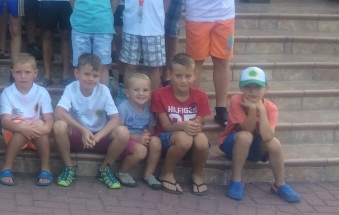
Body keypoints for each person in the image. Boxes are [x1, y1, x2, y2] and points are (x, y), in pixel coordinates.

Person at [221, 67, 301, 202]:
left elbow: (268, 137)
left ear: (266, 88)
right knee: (245, 136)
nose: (253, 91)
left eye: (257, 87)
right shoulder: (236, 100)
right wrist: (252, 109)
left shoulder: (271, 107)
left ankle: (280, 184)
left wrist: (262, 110)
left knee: (274, 143)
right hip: (232, 145)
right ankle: (236, 180)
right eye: (248, 87)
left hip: (255, 148)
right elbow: (247, 129)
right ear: (241, 88)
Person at [52, 53, 128, 188]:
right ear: (77, 73)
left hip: (99, 138)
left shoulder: (103, 90)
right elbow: (59, 112)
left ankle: (105, 169)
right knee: (59, 125)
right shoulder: (71, 88)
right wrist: (83, 130)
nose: (91, 79)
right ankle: (69, 167)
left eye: (95, 75)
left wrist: (97, 137)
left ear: (100, 76)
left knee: (123, 132)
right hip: (77, 136)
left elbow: (115, 119)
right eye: (86, 74)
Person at [151, 53, 211, 195]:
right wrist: (183, 126)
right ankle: (166, 173)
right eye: (178, 76)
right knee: (184, 139)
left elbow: (198, 126)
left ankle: (197, 174)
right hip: (166, 138)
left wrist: (191, 127)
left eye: (188, 76)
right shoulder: (159, 94)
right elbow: (166, 127)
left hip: (190, 137)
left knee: (202, 140)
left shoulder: (201, 96)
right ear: (169, 74)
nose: (183, 81)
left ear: (195, 75)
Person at [0, 53, 55, 187]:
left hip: (36, 134)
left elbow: (49, 120)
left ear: (35, 73)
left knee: (39, 124)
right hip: (14, 133)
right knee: (22, 127)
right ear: (12, 73)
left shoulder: (42, 92)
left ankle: (46, 168)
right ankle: (6, 166)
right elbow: (5, 122)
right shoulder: (7, 92)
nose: (23, 76)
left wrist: (43, 129)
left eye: (27, 72)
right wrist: (22, 127)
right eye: (18, 72)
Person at [115, 72, 163, 188]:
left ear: (150, 93)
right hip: (125, 141)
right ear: (127, 93)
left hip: (141, 139)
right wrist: (137, 138)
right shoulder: (123, 108)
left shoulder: (149, 109)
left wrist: (147, 135)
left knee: (156, 142)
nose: (141, 93)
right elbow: (117, 132)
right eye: (136, 90)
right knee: (141, 151)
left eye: (145, 90)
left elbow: (151, 129)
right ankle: (122, 172)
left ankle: (148, 174)